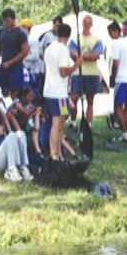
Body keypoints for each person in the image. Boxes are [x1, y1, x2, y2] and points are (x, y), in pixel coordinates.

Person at [43, 23, 82, 159]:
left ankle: (58, 152)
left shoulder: (49, 48)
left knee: (60, 123)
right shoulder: (63, 50)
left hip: (50, 90)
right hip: (58, 92)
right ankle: (54, 154)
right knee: (57, 123)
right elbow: (64, 71)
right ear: (68, 36)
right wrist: (77, 63)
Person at [68, 14, 104, 124]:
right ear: (82, 23)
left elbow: (96, 56)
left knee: (90, 100)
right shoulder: (75, 39)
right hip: (77, 73)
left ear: (92, 24)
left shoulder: (97, 40)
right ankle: (73, 122)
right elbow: (73, 56)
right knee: (74, 98)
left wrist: (82, 55)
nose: (87, 24)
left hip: (92, 73)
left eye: (89, 22)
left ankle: (89, 123)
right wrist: (89, 54)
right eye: (85, 22)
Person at [0, 9, 29, 97]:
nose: (6, 23)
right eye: (4, 21)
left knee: (15, 93)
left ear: (13, 19)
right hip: (3, 67)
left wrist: (10, 62)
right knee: (0, 91)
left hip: (15, 68)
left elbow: (25, 52)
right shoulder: (2, 32)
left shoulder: (20, 33)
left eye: (8, 21)